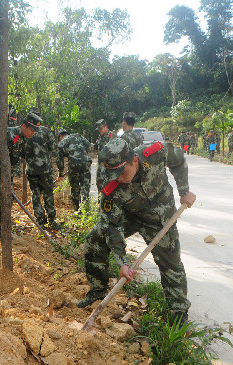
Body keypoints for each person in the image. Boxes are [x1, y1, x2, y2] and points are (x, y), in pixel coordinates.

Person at [78, 138, 196, 325]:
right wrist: (122, 263)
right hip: (128, 215)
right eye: (113, 174)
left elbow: (179, 159)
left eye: (121, 172)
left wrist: (184, 190)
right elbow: (112, 225)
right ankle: (98, 291)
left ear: (134, 160)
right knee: (95, 239)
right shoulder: (108, 179)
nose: (118, 178)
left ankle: (178, 317)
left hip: (160, 217)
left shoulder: (156, 153)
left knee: (171, 264)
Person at [22, 112, 60, 229]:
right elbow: (53, 148)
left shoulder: (24, 132)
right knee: (48, 194)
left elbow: (22, 152)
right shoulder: (46, 131)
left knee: (35, 195)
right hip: (45, 169)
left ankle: (40, 221)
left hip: (31, 169)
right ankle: (52, 220)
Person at [56, 129, 92, 213]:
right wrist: (82, 154)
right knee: (85, 186)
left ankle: (77, 207)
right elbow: (88, 145)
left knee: (75, 186)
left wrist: (60, 174)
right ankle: (84, 208)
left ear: (60, 136)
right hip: (86, 162)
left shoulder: (61, 143)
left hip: (73, 164)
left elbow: (59, 161)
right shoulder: (77, 135)